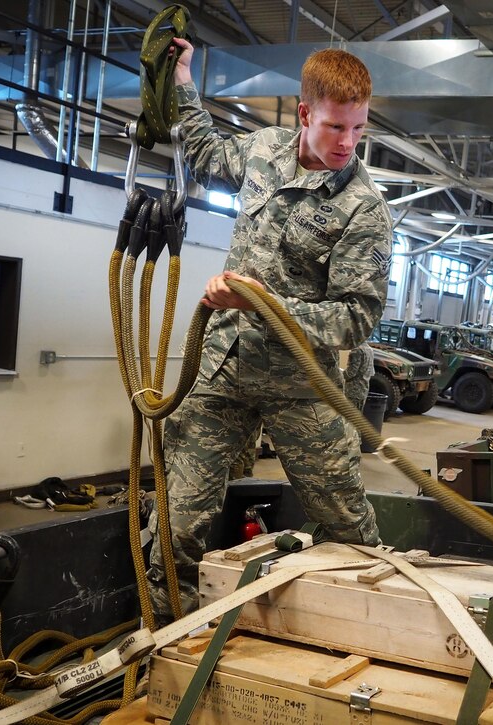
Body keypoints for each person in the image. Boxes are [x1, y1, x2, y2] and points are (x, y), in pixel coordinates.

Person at [149, 41, 392, 623]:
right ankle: (160, 642)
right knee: (177, 523)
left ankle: (377, 626)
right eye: (336, 126)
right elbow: (206, 151)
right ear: (304, 114)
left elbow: (355, 318)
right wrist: (183, 77)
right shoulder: (262, 151)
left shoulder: (363, 210)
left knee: (348, 524)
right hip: (221, 368)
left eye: (358, 128)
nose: (347, 143)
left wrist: (260, 303)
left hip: (300, 383)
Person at [344, 342, 374, 411]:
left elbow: (350, 373)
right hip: (363, 390)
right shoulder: (369, 349)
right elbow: (371, 372)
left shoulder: (356, 351)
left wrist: (338, 373)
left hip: (352, 391)